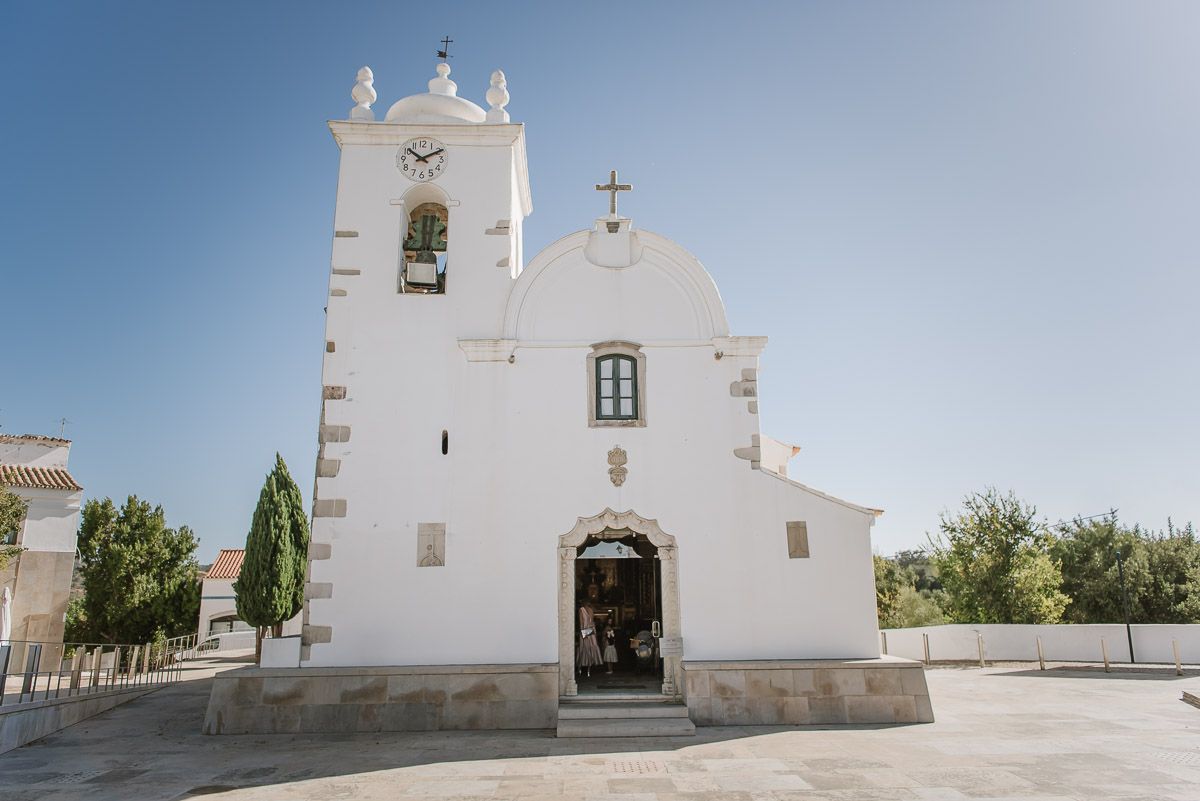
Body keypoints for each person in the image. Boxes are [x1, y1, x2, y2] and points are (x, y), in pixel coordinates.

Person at [576, 601, 603, 676]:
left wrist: (583, 633)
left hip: (585, 630)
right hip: (591, 630)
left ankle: (580, 669)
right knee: (591, 648)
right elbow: (592, 622)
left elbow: (581, 623)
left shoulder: (581, 610)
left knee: (583, 648)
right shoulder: (591, 610)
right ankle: (589, 670)